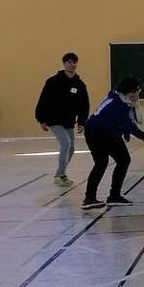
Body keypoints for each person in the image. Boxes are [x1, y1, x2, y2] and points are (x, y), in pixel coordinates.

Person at [82, 77, 144, 210]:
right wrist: (143, 136)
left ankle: (111, 196)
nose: (136, 95)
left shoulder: (119, 99)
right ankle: (92, 198)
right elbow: (126, 122)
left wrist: (125, 132)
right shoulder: (117, 104)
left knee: (121, 160)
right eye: (134, 91)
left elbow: (121, 121)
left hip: (104, 131)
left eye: (138, 92)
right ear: (126, 90)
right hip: (97, 133)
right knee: (105, 162)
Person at [35, 53, 90, 187]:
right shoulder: (53, 81)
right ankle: (60, 175)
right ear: (64, 63)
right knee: (65, 143)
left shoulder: (79, 84)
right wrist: (41, 119)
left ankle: (60, 174)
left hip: (69, 121)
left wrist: (82, 122)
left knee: (71, 148)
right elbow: (43, 100)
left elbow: (84, 104)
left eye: (75, 62)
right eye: (70, 62)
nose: (73, 65)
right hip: (53, 120)